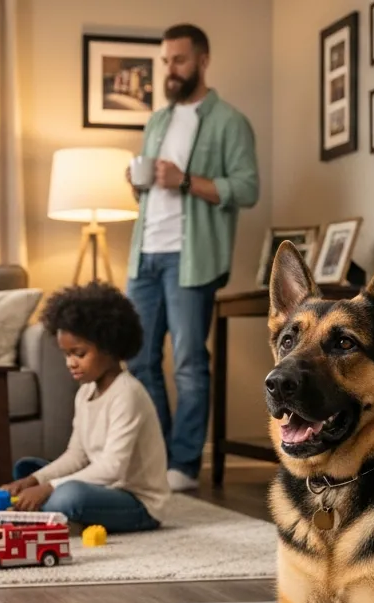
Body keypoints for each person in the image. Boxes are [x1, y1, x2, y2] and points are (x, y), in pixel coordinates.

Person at [125, 23, 260, 494]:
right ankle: (156, 456)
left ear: (202, 60)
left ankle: (183, 463)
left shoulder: (229, 122)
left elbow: (246, 188)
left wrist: (185, 180)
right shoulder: (158, 121)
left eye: (179, 60)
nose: (170, 69)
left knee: (186, 363)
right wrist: (138, 181)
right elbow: (155, 189)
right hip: (145, 255)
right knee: (138, 361)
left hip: (191, 258)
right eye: (165, 60)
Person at [0, 283, 167, 533]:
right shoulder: (85, 392)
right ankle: (56, 512)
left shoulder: (128, 394)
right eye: (66, 355)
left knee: (69, 496)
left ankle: (54, 511)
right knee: (27, 468)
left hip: (136, 502)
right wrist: (33, 481)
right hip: (101, 488)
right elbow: (77, 455)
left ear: (110, 347)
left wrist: (49, 487)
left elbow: (113, 468)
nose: (70, 363)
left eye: (79, 353)